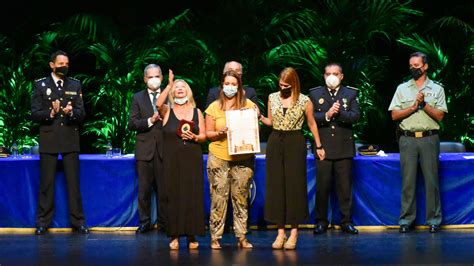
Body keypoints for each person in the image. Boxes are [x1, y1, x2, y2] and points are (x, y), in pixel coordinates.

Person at [260, 67, 325, 249]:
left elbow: (312, 124)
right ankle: (280, 233)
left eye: (286, 84)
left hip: (295, 141)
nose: (283, 87)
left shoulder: (305, 100)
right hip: (275, 141)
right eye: (281, 84)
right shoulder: (272, 97)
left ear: (294, 83)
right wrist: (260, 116)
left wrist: (318, 145)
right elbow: (270, 122)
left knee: (294, 186)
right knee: (277, 186)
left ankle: (294, 233)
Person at [31, 50, 89, 235]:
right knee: (46, 184)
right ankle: (42, 223)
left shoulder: (75, 84)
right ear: (52, 65)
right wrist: (51, 113)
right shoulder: (40, 85)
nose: (64, 66)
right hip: (49, 139)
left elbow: (82, 114)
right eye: (61, 63)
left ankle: (78, 222)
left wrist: (71, 112)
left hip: (70, 139)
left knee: (73, 184)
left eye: (67, 63)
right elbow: (34, 114)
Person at [388, 52, 447, 233]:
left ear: (425, 66)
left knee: (432, 181)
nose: (414, 68)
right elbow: (394, 115)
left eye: (417, 65)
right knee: (408, 182)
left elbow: (440, 116)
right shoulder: (402, 88)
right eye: (411, 65)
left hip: (429, 138)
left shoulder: (437, 89)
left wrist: (424, 105)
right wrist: (413, 107)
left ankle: (434, 220)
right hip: (407, 139)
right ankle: (406, 220)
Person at [205, 70, 258, 249]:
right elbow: (208, 134)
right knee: (218, 198)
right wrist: (220, 133)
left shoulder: (248, 104)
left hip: (242, 157)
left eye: (233, 84)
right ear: (222, 86)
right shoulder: (213, 107)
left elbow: (254, 127)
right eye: (227, 84)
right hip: (219, 157)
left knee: (241, 198)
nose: (230, 87)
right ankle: (215, 237)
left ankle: (242, 236)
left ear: (239, 87)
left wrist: (254, 115)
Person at [155, 74, 206, 250]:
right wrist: (168, 85)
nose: (179, 88)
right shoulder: (167, 110)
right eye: (176, 87)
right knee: (174, 195)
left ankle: (191, 235)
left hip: (192, 159)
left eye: (182, 86)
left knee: (192, 195)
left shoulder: (196, 112)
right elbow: (158, 104)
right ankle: (175, 235)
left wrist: (195, 137)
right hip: (172, 160)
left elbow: (204, 136)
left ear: (188, 91)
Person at [308, 63, 360, 235]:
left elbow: (355, 116)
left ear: (341, 76)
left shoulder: (350, 93)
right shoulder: (315, 94)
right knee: (322, 188)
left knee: (345, 188)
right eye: (328, 73)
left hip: (343, 148)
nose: (331, 76)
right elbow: (309, 118)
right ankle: (321, 221)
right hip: (323, 148)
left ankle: (346, 221)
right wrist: (327, 115)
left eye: (335, 73)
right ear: (324, 76)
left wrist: (339, 114)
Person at [128, 64, 167, 233]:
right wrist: (150, 120)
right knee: (144, 190)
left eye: (157, 76)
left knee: (164, 190)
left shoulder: (169, 96)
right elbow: (132, 124)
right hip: (145, 151)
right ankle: (145, 222)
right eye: (150, 77)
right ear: (145, 79)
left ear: (162, 78)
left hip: (165, 151)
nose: (154, 80)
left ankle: (165, 223)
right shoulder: (137, 98)